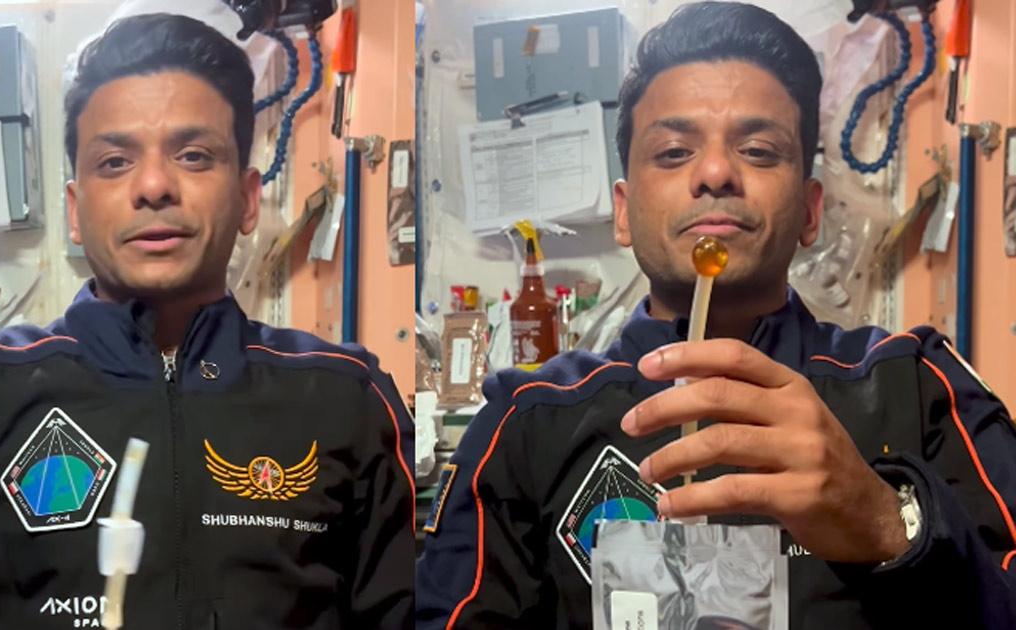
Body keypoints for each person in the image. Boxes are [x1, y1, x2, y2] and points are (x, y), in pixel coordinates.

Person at [416, 3, 1016, 628]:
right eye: (674, 152)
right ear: (623, 212)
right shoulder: (527, 420)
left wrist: (889, 523)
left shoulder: (914, 386)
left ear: (811, 211)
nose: (715, 173)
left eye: (758, 150)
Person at [0, 14, 414, 629]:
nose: (154, 185)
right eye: (114, 162)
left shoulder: (346, 398)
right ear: (76, 212)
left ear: (246, 198)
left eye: (194, 155)